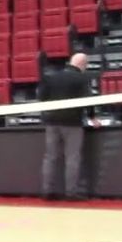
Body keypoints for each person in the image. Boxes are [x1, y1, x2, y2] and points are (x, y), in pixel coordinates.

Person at [38, 52, 98, 200]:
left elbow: (42, 97)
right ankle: (71, 192)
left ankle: (47, 191)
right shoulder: (82, 78)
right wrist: (92, 117)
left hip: (52, 121)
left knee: (50, 157)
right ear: (83, 64)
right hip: (72, 122)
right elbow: (88, 100)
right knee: (72, 158)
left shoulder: (52, 77)